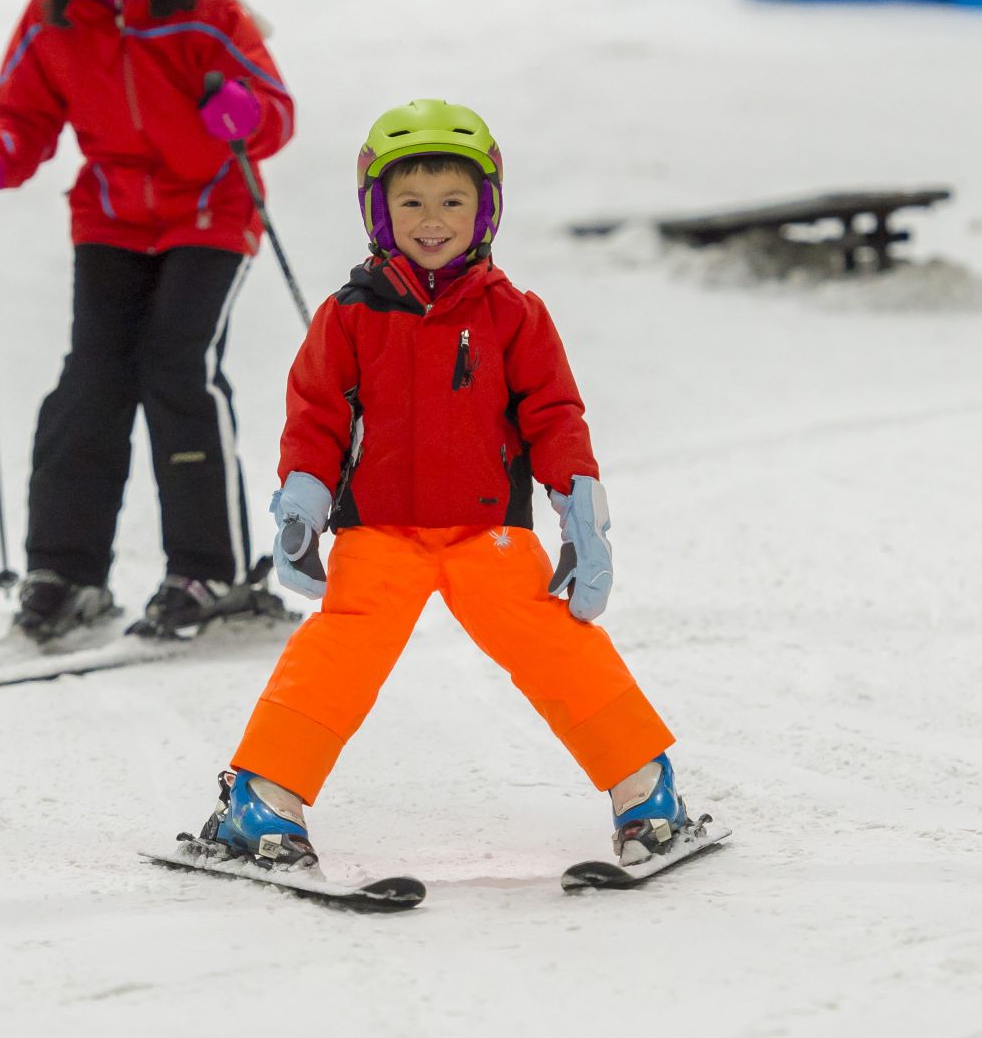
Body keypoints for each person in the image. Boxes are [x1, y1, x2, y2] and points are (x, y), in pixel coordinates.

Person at [183, 99, 697, 868]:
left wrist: (580, 508)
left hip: (486, 534)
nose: (433, 219)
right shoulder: (348, 317)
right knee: (336, 657)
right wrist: (302, 500)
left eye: (454, 200)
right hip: (379, 533)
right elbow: (317, 418)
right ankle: (261, 799)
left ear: (486, 209)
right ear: (378, 211)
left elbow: (554, 413)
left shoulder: (513, 314)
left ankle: (646, 786)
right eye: (411, 201)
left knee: (556, 645)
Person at [0, 0, 295, 643]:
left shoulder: (207, 8)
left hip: (211, 209)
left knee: (176, 362)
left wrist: (239, 110)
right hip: (111, 214)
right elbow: (22, 114)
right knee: (92, 376)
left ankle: (209, 567)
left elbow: (274, 112)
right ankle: (65, 569)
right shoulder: (53, 12)